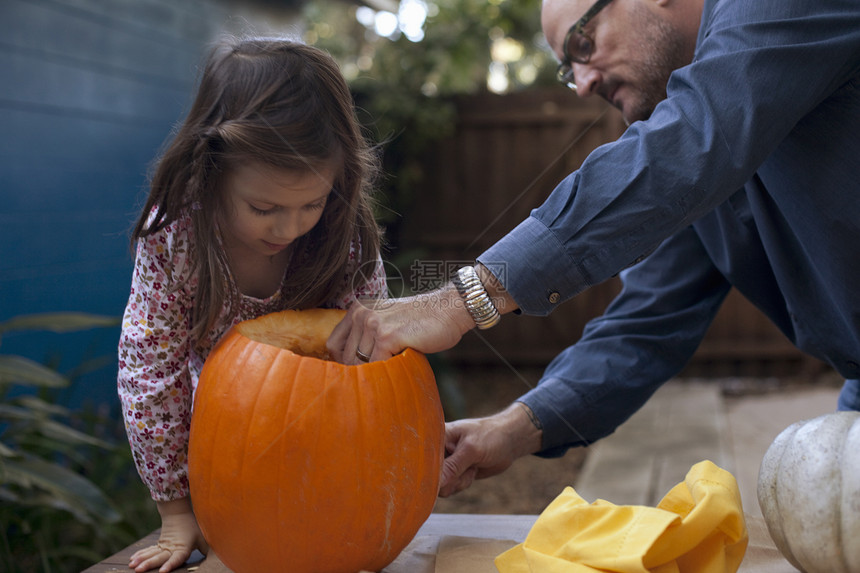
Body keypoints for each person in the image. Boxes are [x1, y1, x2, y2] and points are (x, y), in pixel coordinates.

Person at [327, 0, 860, 498]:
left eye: (583, 45)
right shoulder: (703, 168)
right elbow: (646, 325)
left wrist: (459, 300)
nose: (581, 84)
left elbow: (691, 145)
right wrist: (513, 428)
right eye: (567, 68)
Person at [118, 37, 386, 573]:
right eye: (264, 207)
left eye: (311, 202)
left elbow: (373, 365)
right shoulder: (175, 239)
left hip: (326, 450)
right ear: (211, 168)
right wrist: (176, 512)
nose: (290, 227)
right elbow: (149, 371)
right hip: (221, 452)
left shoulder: (342, 235)